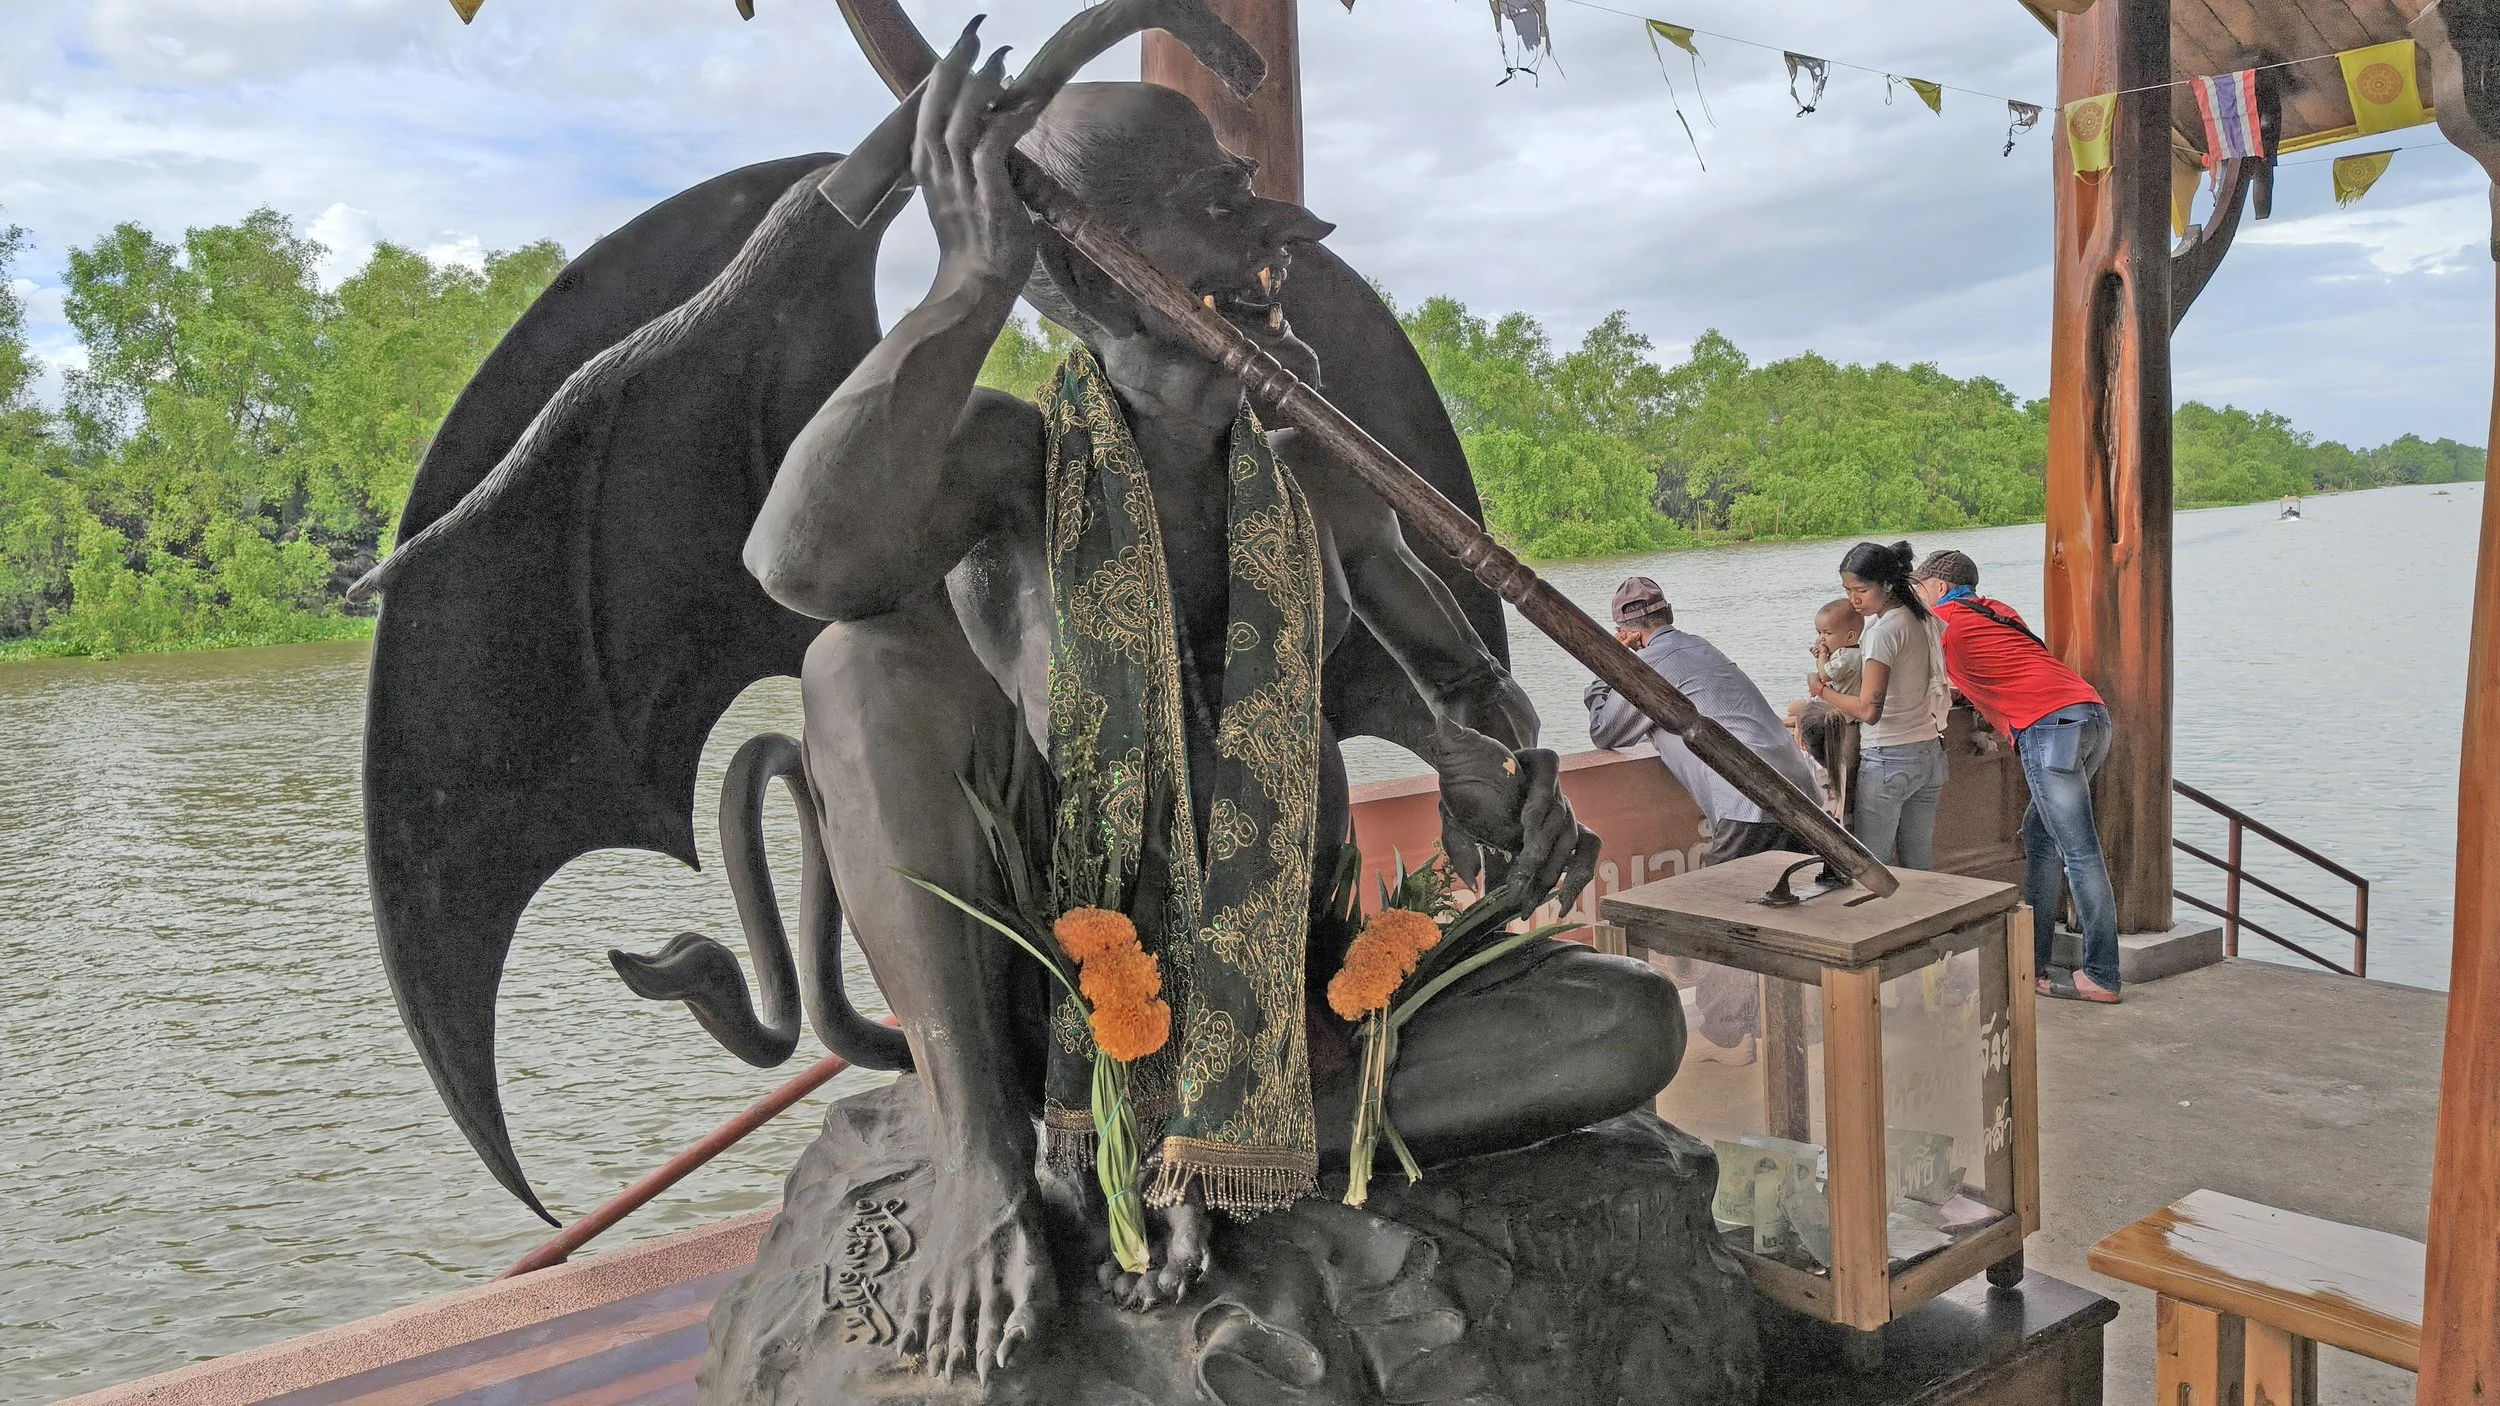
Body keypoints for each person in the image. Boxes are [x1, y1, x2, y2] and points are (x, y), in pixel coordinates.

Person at [1587, 576, 1825, 1063]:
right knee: (1781, 912)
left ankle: (1729, 1036)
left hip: (1748, 797)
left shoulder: (1648, 666)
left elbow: (1604, 730)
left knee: (1718, 921)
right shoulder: (1698, 647)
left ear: (1627, 632)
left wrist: (1603, 668)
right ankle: (1783, 1024)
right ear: (1667, 614)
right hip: (1796, 788)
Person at [1912, 549, 2121, 1004]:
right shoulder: (1996, 610)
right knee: (2040, 838)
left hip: (2048, 727)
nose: (1915, 598)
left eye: (1919, 587)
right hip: (2091, 714)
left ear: (1940, 589)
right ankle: (2032, 964)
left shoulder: (1940, 625)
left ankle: (2102, 974)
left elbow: (1915, 684)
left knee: (2080, 852)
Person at [1810, 541, 1948, 870]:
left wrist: (1821, 692)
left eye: (1861, 590)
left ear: (1886, 584)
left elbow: (1870, 710)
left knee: (1874, 868)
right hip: (1928, 754)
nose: (1853, 600)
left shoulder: (1883, 631)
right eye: (1847, 590)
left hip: (1890, 758)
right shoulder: (1919, 617)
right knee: (1919, 866)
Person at [1788, 599, 1863, 805]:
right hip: (1840, 716)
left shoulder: (1849, 656)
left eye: (1827, 634)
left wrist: (1820, 658)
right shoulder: (1845, 653)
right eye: (1819, 633)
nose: (1821, 639)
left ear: (1849, 636)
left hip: (1845, 720)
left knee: (1841, 772)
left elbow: (1823, 674)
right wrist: (1824, 654)